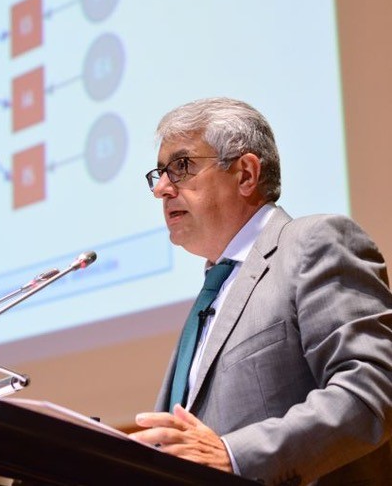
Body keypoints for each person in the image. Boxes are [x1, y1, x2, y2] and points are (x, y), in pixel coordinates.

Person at [129, 97, 392, 485]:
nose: (162, 189)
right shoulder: (213, 292)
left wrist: (236, 455)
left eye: (181, 166)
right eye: (160, 173)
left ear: (246, 174)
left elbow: (372, 388)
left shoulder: (313, 243)